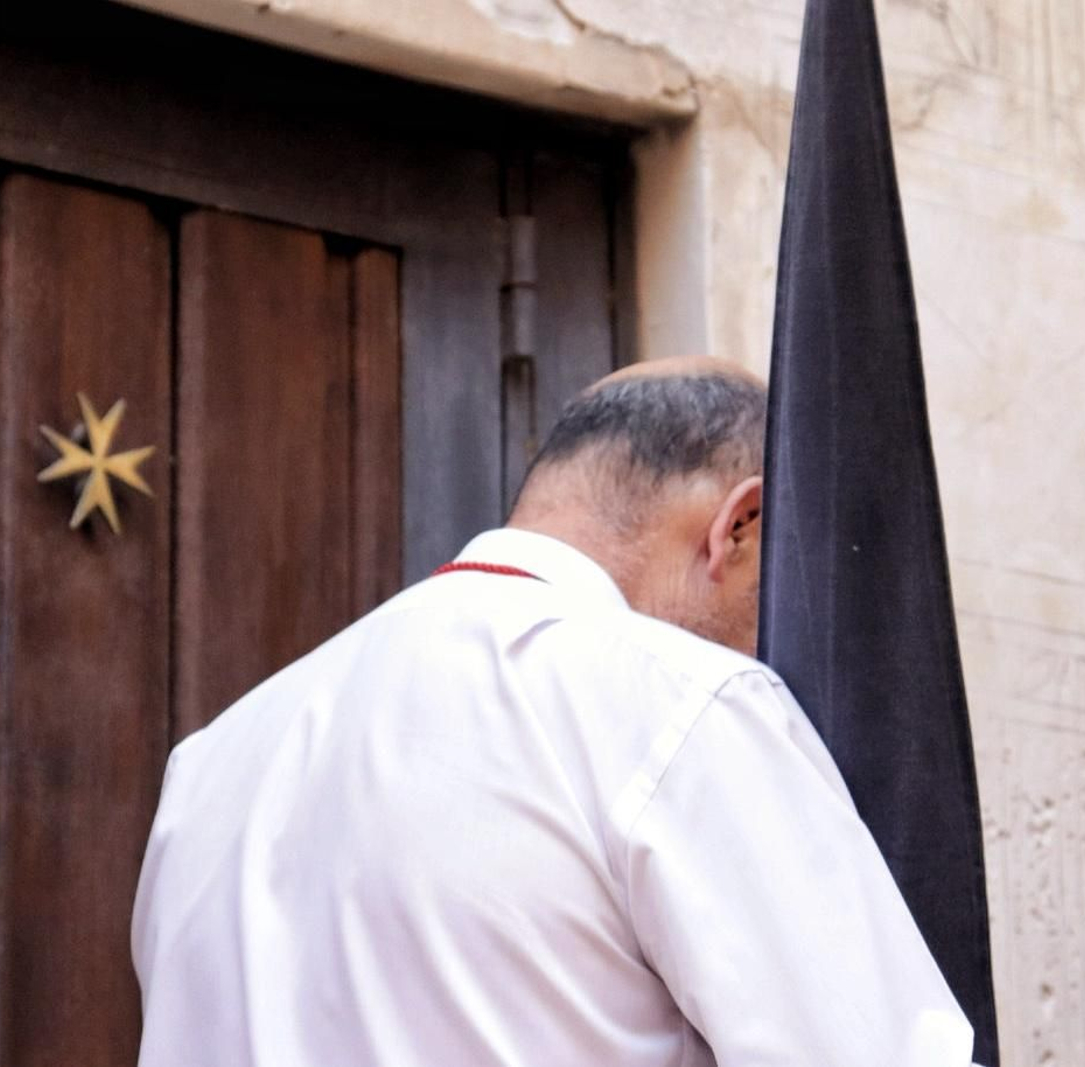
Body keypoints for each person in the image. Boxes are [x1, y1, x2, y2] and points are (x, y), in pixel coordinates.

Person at [131, 356, 977, 1065]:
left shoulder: (210, 763)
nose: (775, 638)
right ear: (741, 524)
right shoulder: (679, 704)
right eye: (781, 591)